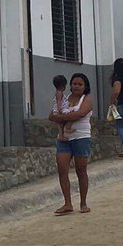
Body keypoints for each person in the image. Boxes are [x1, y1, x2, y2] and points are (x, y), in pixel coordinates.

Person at [49, 73, 93, 215]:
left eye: (80, 84)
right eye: (74, 84)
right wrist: (64, 117)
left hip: (81, 137)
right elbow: (51, 115)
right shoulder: (64, 99)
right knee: (62, 169)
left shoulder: (87, 99)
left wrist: (61, 117)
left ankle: (83, 203)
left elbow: (80, 114)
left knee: (81, 170)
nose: (76, 86)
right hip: (64, 139)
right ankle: (67, 203)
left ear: (85, 86)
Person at [50, 74, 68, 141]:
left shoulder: (58, 92)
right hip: (59, 109)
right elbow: (59, 101)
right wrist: (60, 109)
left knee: (62, 123)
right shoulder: (59, 93)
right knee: (60, 124)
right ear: (62, 85)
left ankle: (62, 134)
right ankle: (61, 135)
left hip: (60, 108)